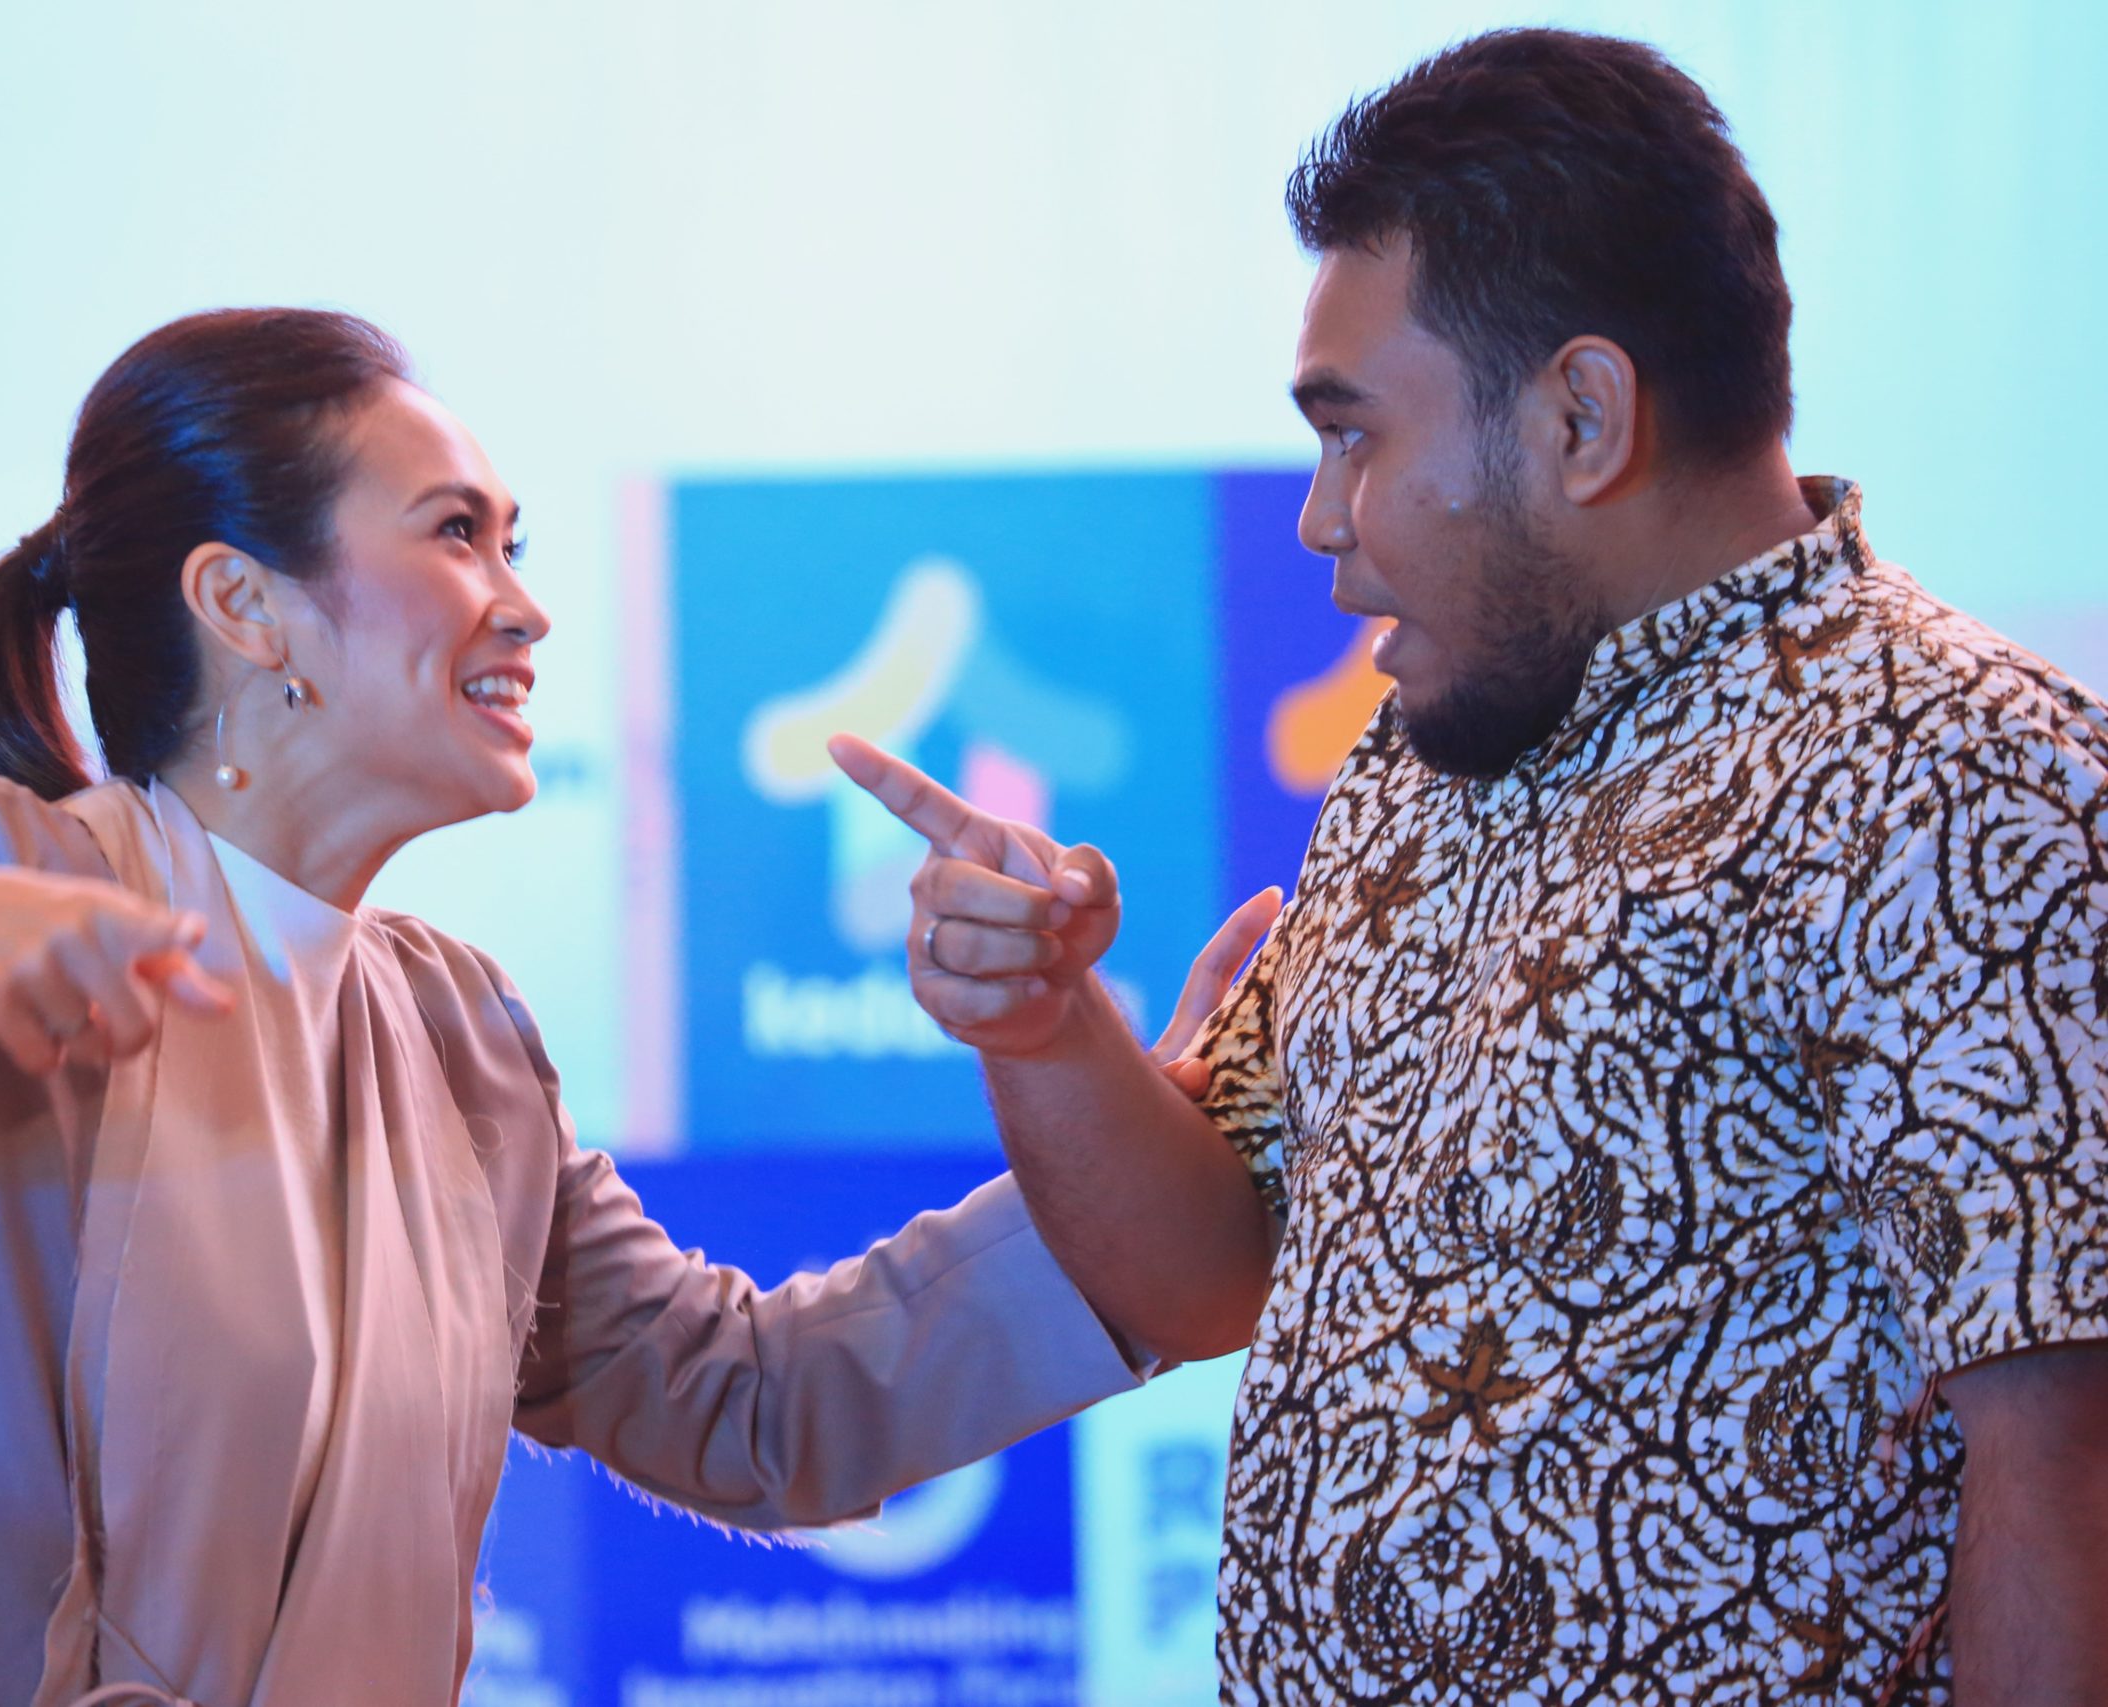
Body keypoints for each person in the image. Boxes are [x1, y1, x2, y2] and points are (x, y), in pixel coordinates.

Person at [0, 308, 1205, 1707]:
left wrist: (1128, 1149)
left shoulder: (462, 1039)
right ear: (244, 605)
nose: (523, 603)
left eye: (511, 543)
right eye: (454, 533)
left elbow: (758, 1407)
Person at [834, 27, 2108, 1707]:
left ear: (1583, 416)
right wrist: (1047, 1025)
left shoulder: (1954, 771)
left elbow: (2071, 1466)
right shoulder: (1429, 748)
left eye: (1354, 435)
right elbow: (1214, 1270)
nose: (1320, 516)